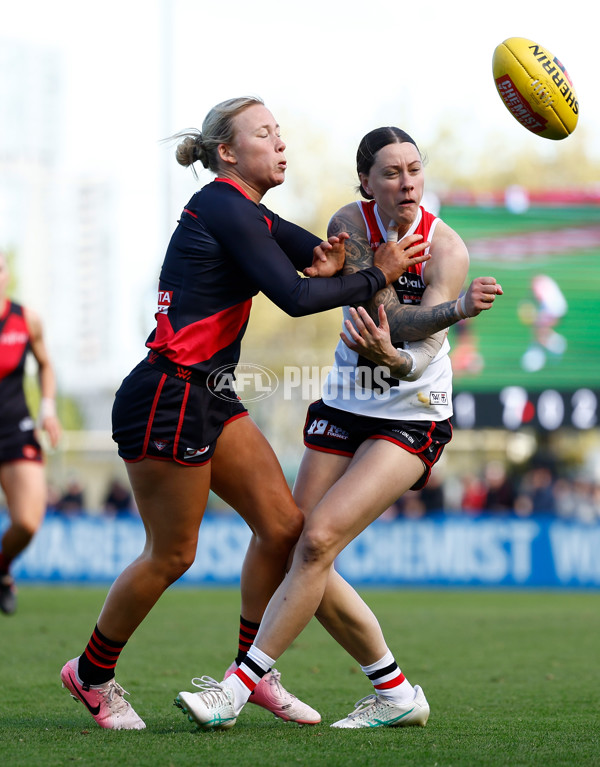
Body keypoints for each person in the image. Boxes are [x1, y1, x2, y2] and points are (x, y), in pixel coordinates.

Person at [59, 99, 429, 731]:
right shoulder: (224, 207)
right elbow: (294, 295)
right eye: (265, 134)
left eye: (280, 133)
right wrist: (373, 277)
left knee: (286, 530)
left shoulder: (250, 212)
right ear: (227, 153)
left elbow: (314, 257)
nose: (280, 144)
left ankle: (250, 675)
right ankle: (91, 675)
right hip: (168, 396)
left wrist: (338, 258)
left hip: (210, 395)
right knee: (172, 555)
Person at [177, 126, 503, 729]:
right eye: (391, 173)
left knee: (319, 539)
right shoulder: (348, 224)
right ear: (366, 182)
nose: (406, 183)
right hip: (347, 403)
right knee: (291, 538)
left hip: (412, 411)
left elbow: (417, 341)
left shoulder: (447, 249)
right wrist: (417, 313)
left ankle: (238, 686)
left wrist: (414, 345)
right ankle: (396, 691)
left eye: (414, 170)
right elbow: (376, 303)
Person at [0, 251, 62, 614]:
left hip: (15, 428)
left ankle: (3, 569)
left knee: (26, 522)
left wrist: (48, 408)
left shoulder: (27, 321)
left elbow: (45, 364)